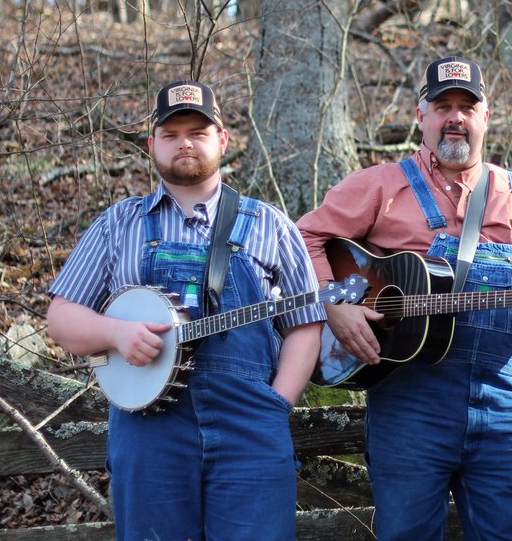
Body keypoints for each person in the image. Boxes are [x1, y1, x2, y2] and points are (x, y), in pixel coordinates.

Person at [295, 55, 512, 540]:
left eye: (468, 107)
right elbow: (304, 237)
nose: (455, 117)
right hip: (409, 405)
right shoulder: (380, 185)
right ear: (420, 116)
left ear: (486, 117)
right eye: (443, 106)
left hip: (508, 406)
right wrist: (334, 304)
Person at [46, 80, 326, 540]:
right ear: (151, 144)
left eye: (198, 132)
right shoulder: (118, 224)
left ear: (223, 139)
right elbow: (61, 317)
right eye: (171, 134)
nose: (186, 143)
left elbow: (305, 323)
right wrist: (116, 334)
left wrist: (277, 403)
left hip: (251, 424)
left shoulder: (270, 224)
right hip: (148, 429)